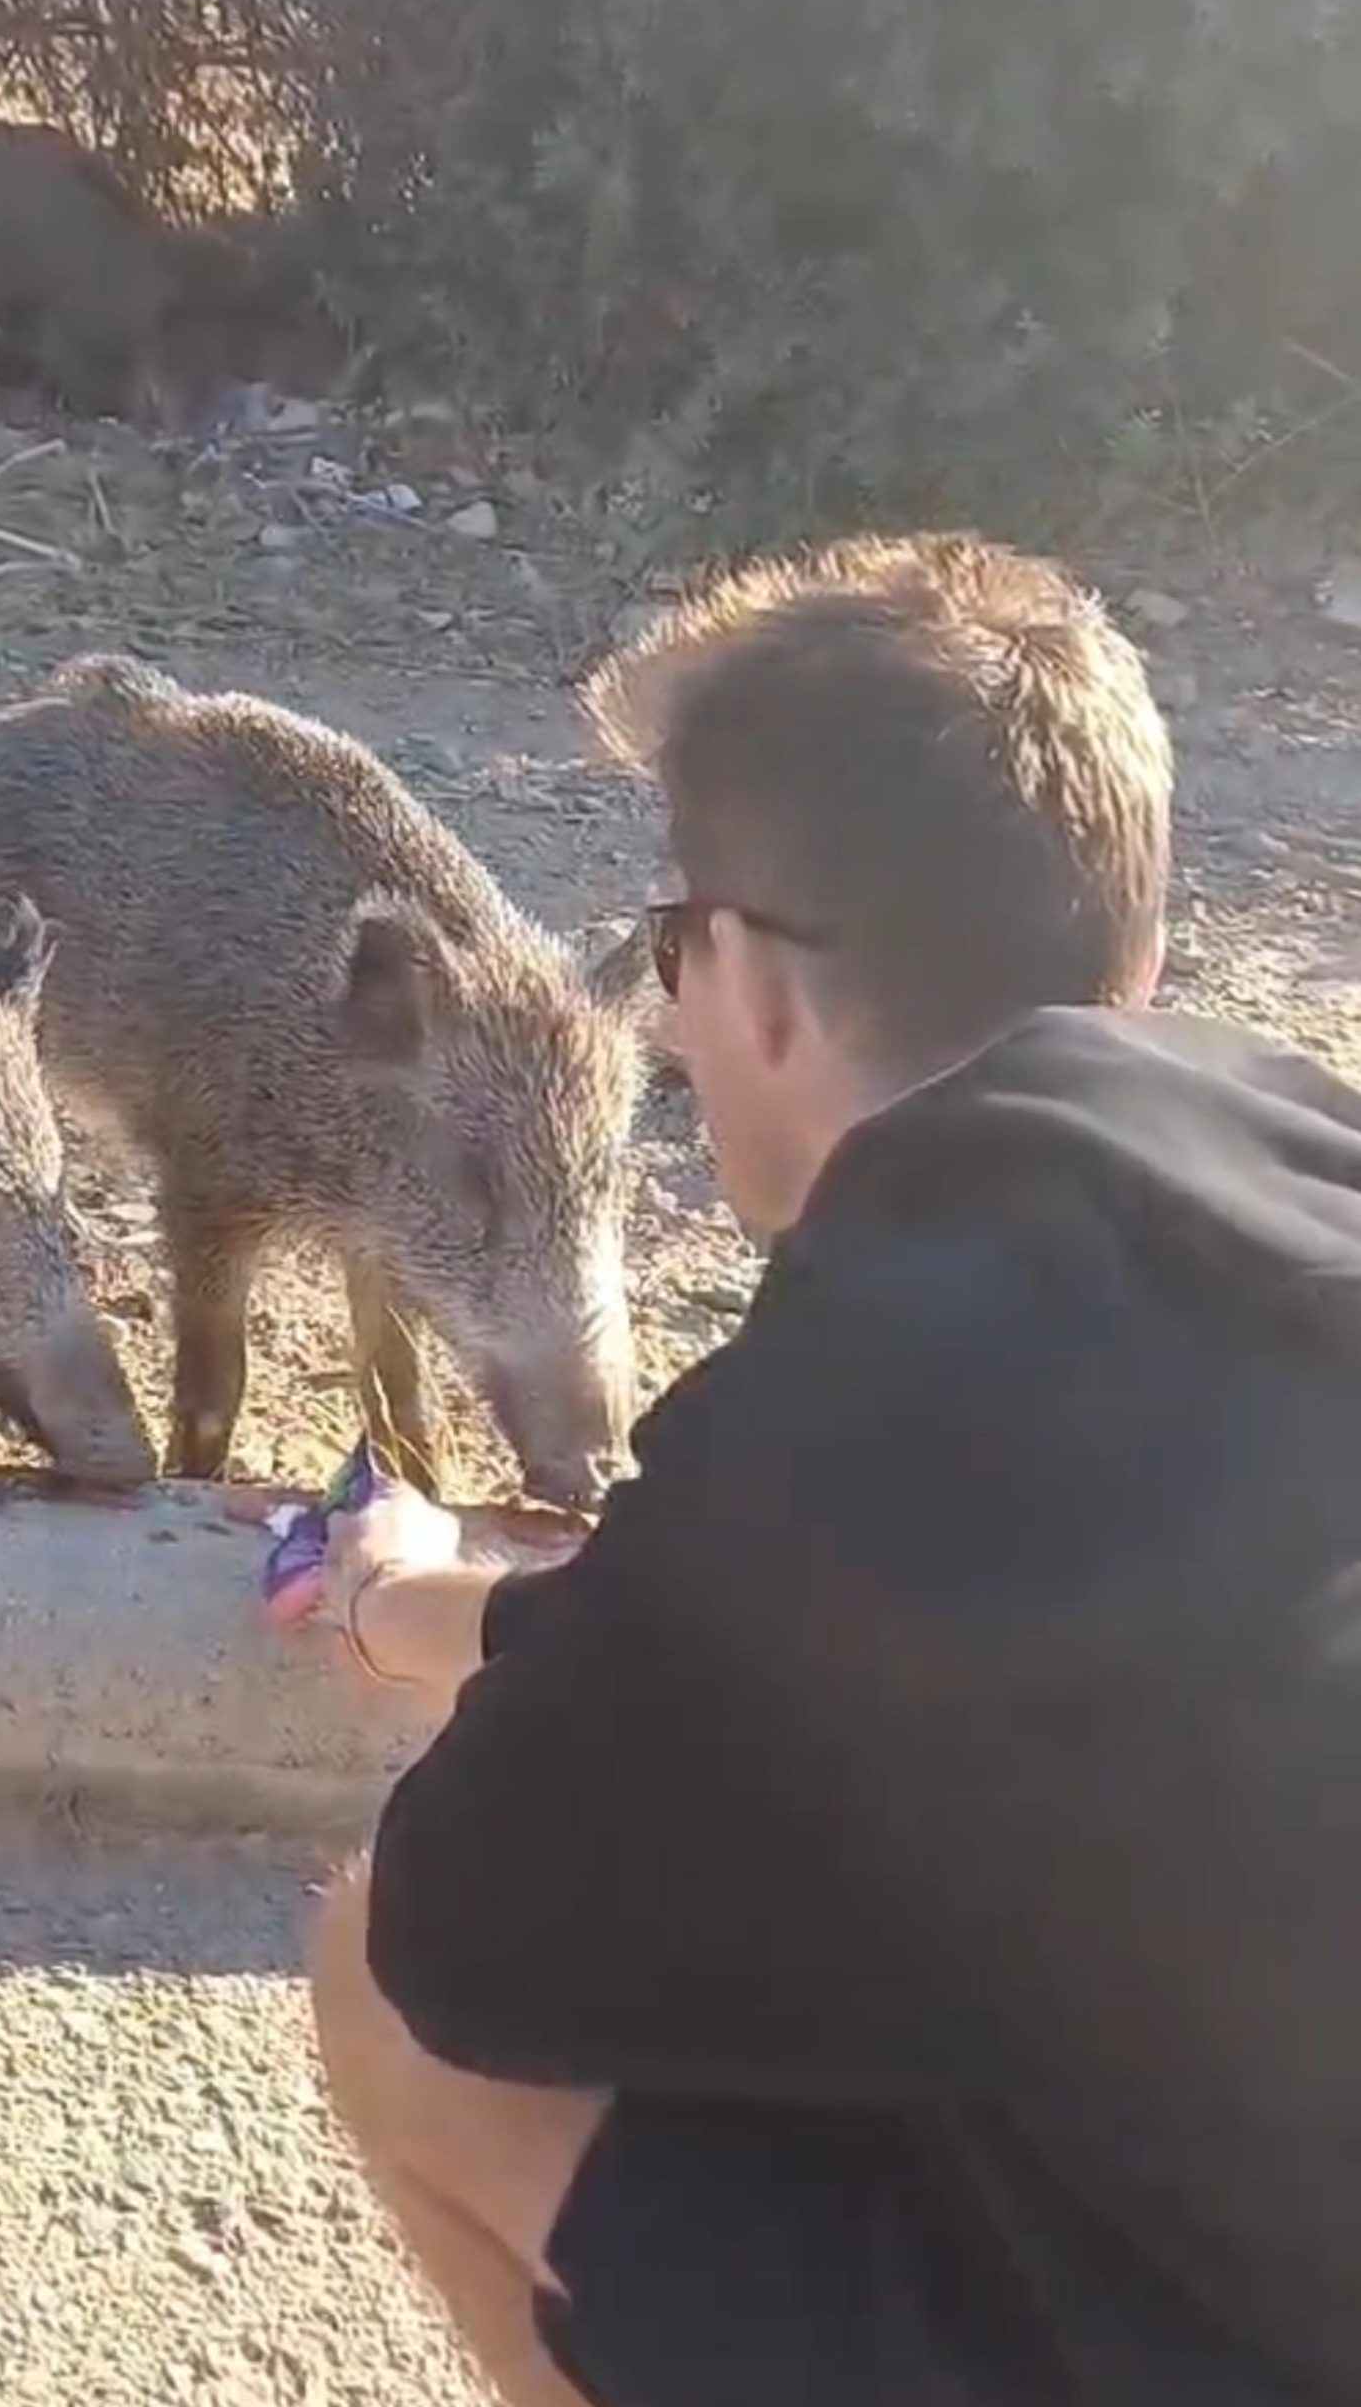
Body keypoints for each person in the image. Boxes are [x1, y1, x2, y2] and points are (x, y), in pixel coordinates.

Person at [300, 530, 1361, 2407]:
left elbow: (465, 1934)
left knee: (388, 1998)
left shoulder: (879, 1382)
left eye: (662, 948)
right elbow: (731, 1637)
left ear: (755, 988)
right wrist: (407, 1603)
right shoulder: (1291, 1183)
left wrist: (380, 1617)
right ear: (1140, 956)